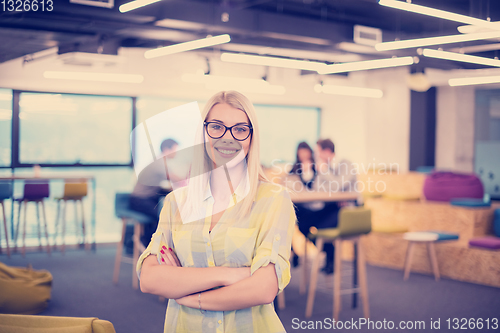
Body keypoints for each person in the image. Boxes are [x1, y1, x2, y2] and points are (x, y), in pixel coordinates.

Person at [137, 91, 296, 333]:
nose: (228, 138)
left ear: (252, 137)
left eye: (240, 129)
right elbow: (149, 278)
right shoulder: (176, 203)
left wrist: (190, 292)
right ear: (203, 134)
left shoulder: (273, 200)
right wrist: (229, 275)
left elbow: (263, 288)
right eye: (217, 127)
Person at [129, 138, 179, 247]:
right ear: (166, 150)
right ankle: (146, 243)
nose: (176, 153)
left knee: (166, 209)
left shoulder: (160, 162)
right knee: (163, 215)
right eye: (175, 150)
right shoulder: (160, 163)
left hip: (145, 198)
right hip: (139, 200)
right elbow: (176, 178)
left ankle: (148, 241)